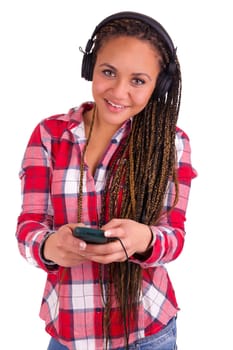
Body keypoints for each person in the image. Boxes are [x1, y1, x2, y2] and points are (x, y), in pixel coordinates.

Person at [16, 11, 197, 350]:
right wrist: (49, 247)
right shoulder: (49, 135)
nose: (118, 90)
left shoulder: (170, 144)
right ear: (91, 69)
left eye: (138, 81)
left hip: (147, 332)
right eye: (108, 72)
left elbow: (173, 236)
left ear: (159, 84)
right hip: (69, 330)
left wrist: (143, 238)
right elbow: (29, 226)